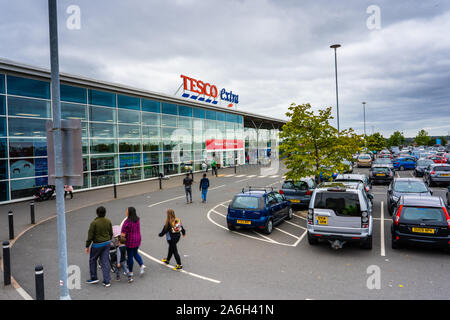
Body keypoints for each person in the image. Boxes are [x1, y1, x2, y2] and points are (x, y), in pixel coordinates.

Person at [85, 206, 113, 287]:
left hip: (97, 244)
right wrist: (108, 240)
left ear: (97, 213)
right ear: (105, 213)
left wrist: (87, 246)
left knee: (92, 260)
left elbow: (90, 236)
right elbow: (110, 233)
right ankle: (107, 281)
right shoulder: (108, 221)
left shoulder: (94, 223)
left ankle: (94, 278)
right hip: (107, 243)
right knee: (105, 261)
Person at [120, 207, 146, 281]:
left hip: (130, 241)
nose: (126, 212)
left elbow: (123, 234)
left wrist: (120, 240)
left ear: (129, 212)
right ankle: (141, 265)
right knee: (135, 253)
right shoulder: (137, 219)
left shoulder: (127, 222)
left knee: (130, 256)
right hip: (138, 238)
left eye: (127, 211)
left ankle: (130, 271)